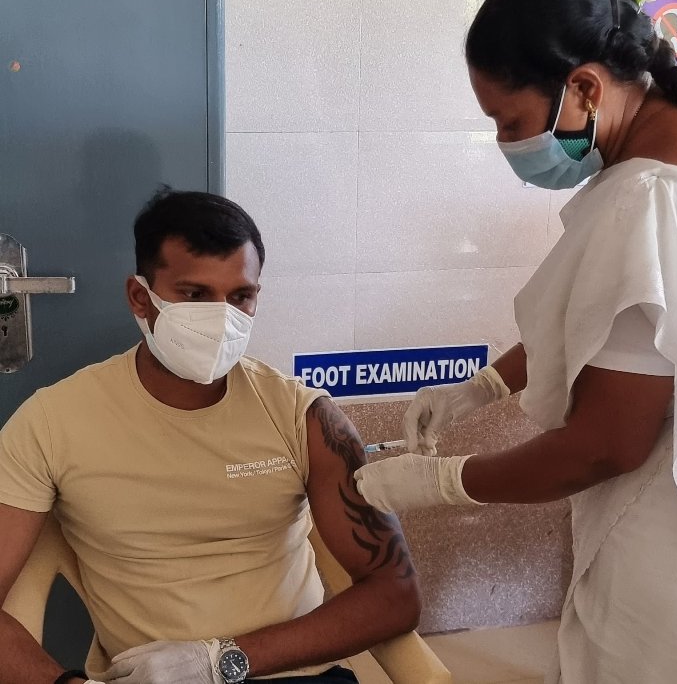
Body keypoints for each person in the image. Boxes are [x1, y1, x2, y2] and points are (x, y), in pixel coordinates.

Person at [355, 0, 677, 682]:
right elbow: (627, 322)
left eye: (510, 121)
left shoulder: (646, 202)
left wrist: (438, 484)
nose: (507, 144)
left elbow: (605, 445)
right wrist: (482, 388)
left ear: (586, 88)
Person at [0, 190, 421, 684]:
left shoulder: (303, 416)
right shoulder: (53, 422)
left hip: (293, 674)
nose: (222, 320)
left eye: (240, 296)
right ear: (140, 298)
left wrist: (220, 661)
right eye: (195, 294)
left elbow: (396, 595)